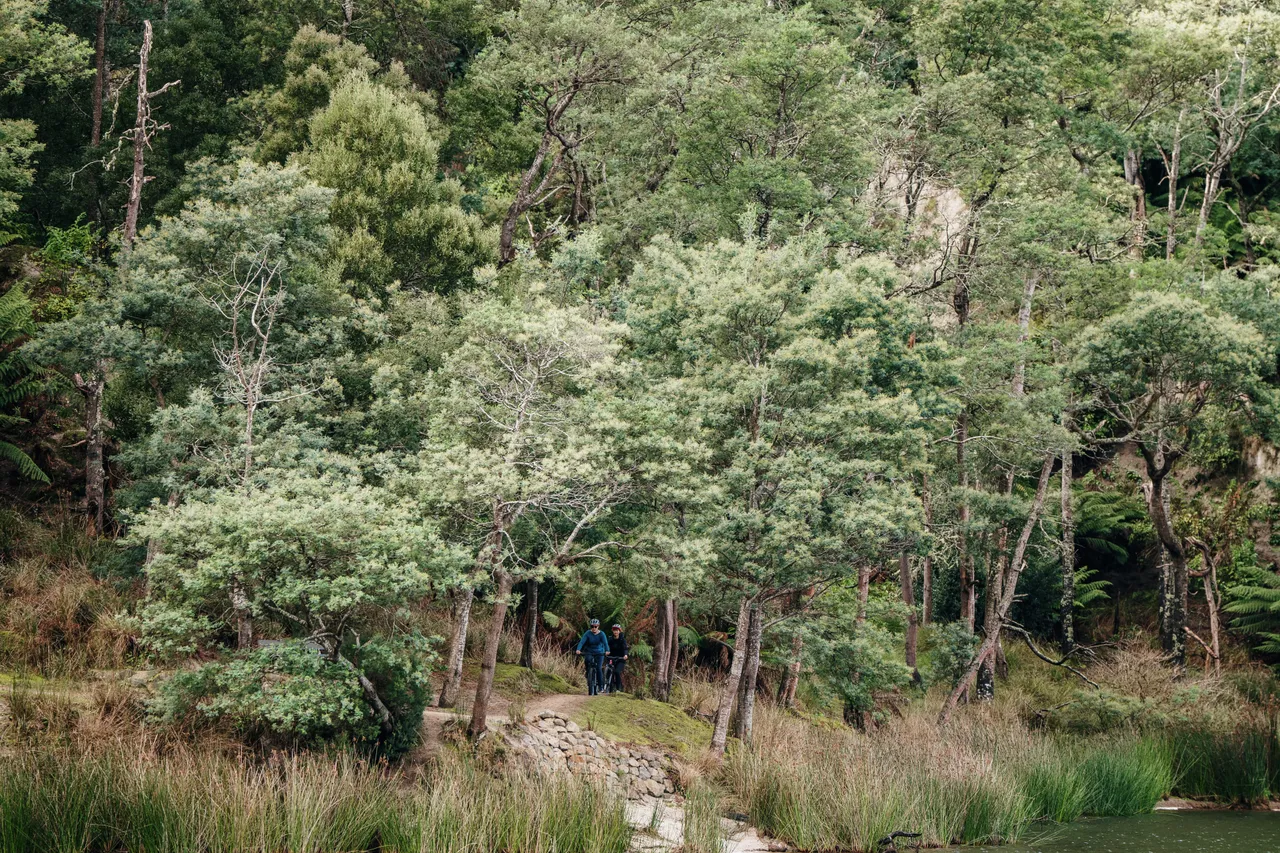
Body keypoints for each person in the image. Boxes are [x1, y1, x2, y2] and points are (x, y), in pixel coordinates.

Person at [575, 618, 609, 695]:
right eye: (592, 626)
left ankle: (600, 686)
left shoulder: (602, 634)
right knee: (587, 661)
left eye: (595, 626)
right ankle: (589, 675)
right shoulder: (587, 633)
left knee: (598, 668)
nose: (594, 628)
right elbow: (582, 642)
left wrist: (607, 650)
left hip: (600, 652)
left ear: (598, 626)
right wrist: (578, 649)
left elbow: (605, 643)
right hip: (589, 651)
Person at [606, 623, 629, 694]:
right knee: (608, 670)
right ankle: (608, 686)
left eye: (617, 630)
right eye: (614, 630)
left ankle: (618, 688)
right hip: (611, 658)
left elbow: (625, 648)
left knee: (617, 672)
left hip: (620, 659)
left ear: (619, 631)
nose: (615, 632)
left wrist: (625, 655)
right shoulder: (610, 639)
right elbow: (606, 646)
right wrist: (606, 651)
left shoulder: (622, 640)